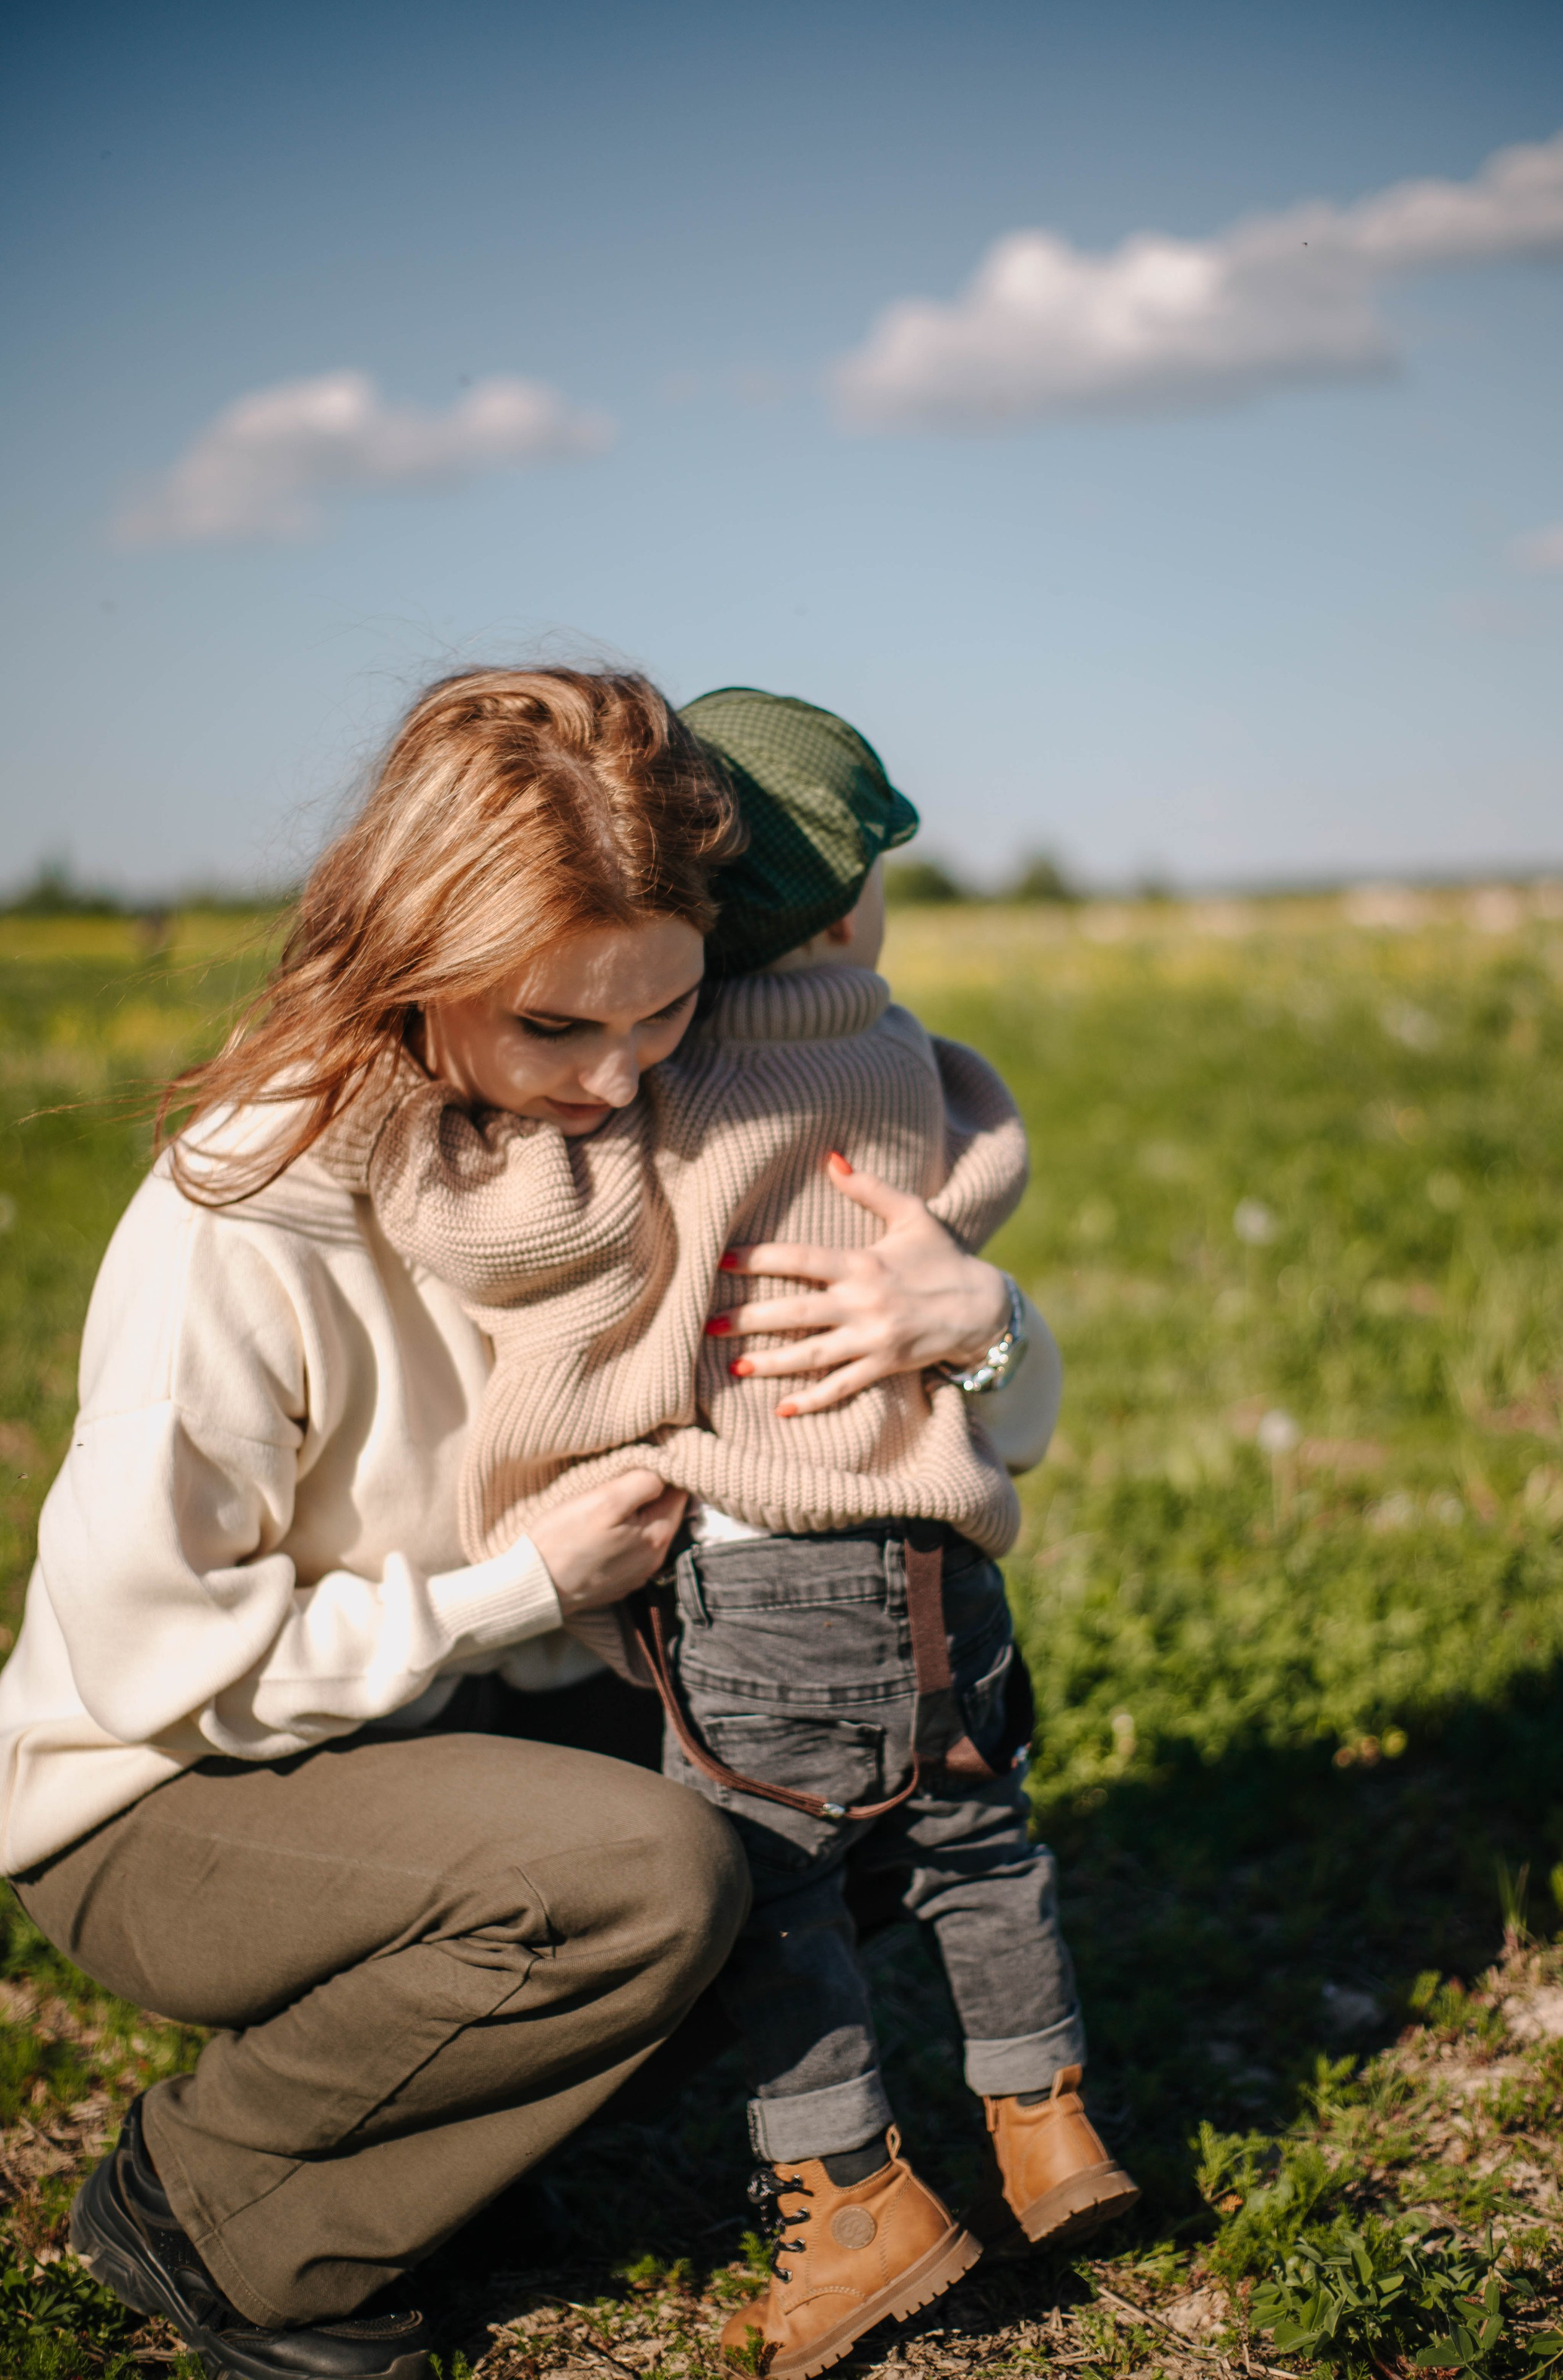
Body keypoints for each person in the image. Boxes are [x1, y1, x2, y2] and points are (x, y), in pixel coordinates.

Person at [0, 666, 1057, 2380]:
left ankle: (447, 2141)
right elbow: (145, 1659)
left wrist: (981, 1326)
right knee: (650, 1876)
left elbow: (934, 1443)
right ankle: (211, 2204)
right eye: (557, 1027)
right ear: (411, 960)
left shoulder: (655, 1133)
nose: (619, 1079)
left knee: (862, 1766)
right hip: (163, 1789)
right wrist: (517, 1587)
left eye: (664, 1012)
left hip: (445, 1720)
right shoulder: (250, 1215)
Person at [315, 688, 1137, 2380]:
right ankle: (1051, 2132)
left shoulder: (666, 1096)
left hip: (767, 1580)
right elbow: (985, 1157)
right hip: (948, 1571)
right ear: (847, 905)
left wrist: (410, 1128)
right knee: (982, 1847)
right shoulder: (913, 1060)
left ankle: (851, 2208)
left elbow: (516, 1238)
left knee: (770, 1897)